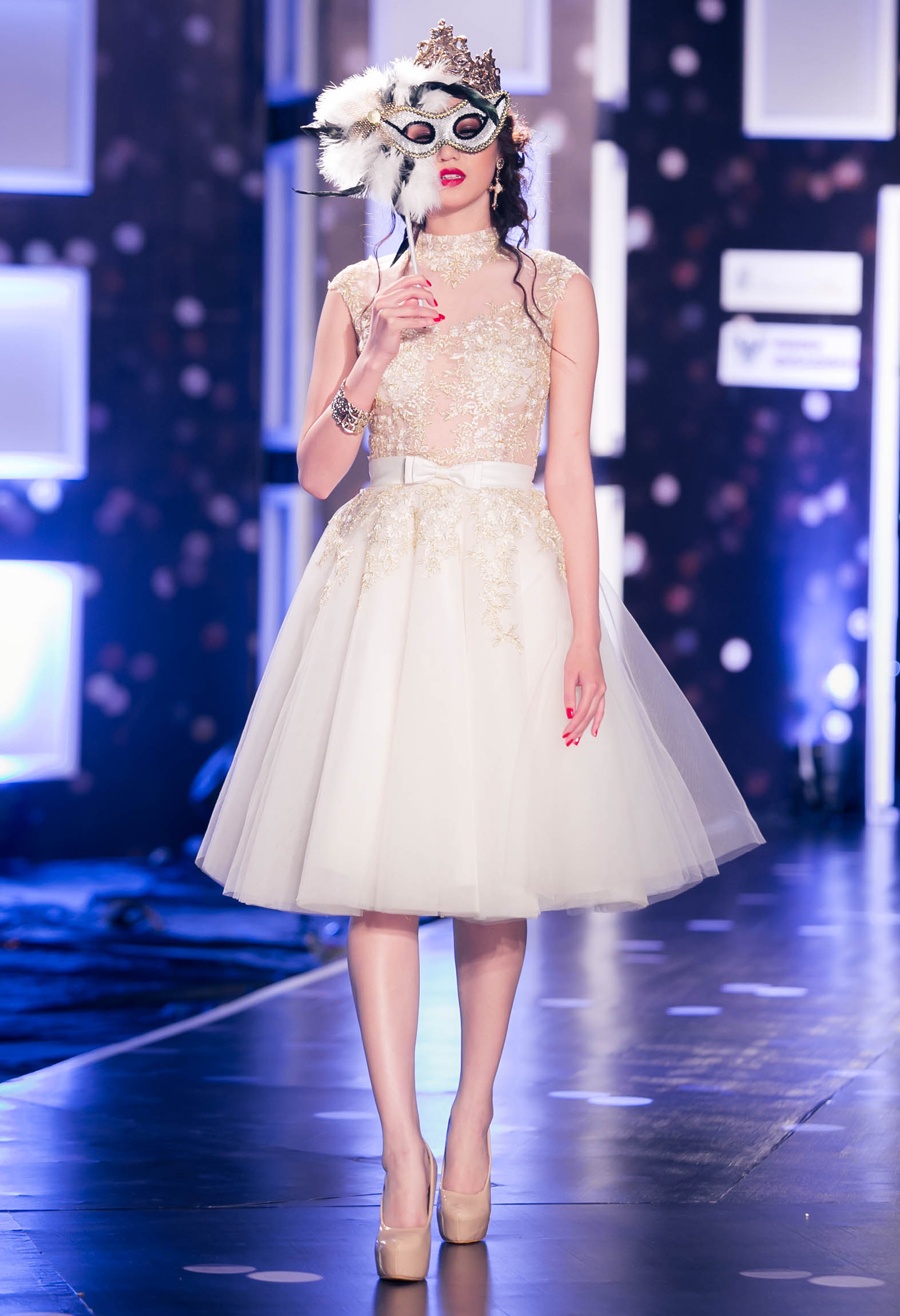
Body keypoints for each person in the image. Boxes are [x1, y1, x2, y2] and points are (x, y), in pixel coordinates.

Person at [197, 21, 764, 1284]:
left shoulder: (554, 287)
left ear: (505, 148)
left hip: (508, 579)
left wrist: (584, 630)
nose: (446, 150)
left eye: (469, 128)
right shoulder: (359, 292)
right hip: (384, 580)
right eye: (421, 129)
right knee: (381, 878)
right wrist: (376, 354)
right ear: (390, 149)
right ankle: (401, 1150)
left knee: (497, 867)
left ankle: (472, 1117)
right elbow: (317, 472)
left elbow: (569, 472)